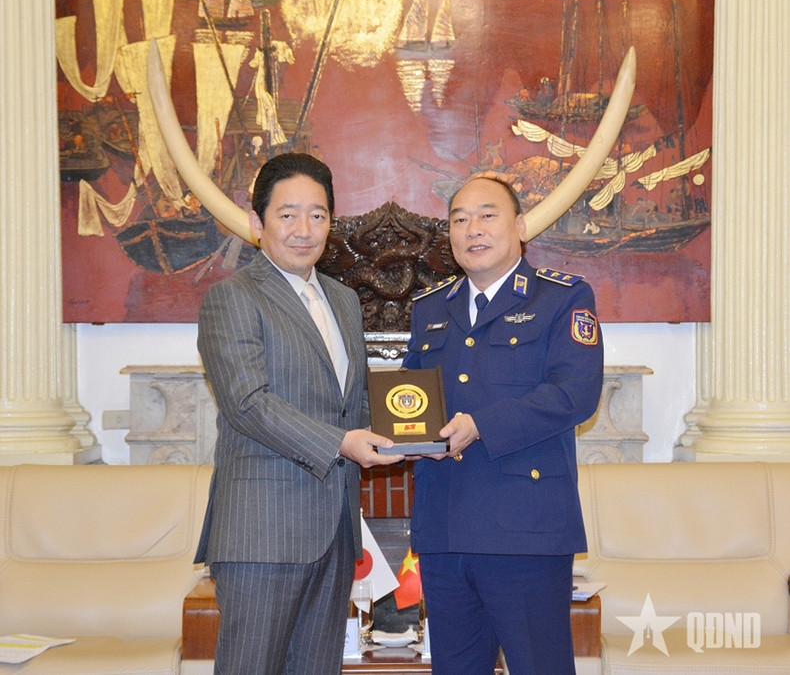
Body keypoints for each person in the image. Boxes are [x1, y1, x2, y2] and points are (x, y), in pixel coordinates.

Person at [195, 152, 404, 675]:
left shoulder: (343, 300)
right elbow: (248, 404)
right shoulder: (232, 298)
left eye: (318, 215)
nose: (303, 230)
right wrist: (341, 443)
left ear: (331, 223)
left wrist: (407, 433)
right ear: (256, 222)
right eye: (287, 214)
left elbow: (350, 403)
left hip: (334, 530)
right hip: (263, 531)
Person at [402, 175, 603, 675]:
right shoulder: (429, 309)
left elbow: (574, 394)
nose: (473, 229)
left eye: (487, 215)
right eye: (459, 219)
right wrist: (399, 435)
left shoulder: (563, 299)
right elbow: (411, 400)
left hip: (525, 532)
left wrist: (482, 425)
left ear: (520, 225)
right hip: (445, 529)